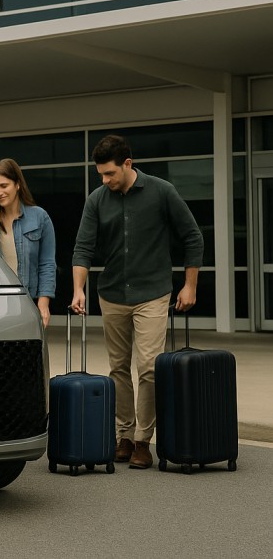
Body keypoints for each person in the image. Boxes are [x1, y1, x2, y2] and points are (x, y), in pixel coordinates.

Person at [70, 135, 203, 470]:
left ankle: (144, 440)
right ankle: (124, 436)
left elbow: (192, 236)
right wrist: (78, 290)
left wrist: (189, 286)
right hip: (112, 293)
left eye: (109, 173)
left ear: (128, 164)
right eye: (100, 174)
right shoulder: (97, 200)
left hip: (153, 293)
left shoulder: (161, 191)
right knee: (118, 368)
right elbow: (83, 247)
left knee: (147, 367)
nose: (104, 180)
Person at [0, 158, 56, 327]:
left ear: (18, 184)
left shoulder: (40, 218)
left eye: (4, 186)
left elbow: (47, 264)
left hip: (29, 302)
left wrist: (43, 302)